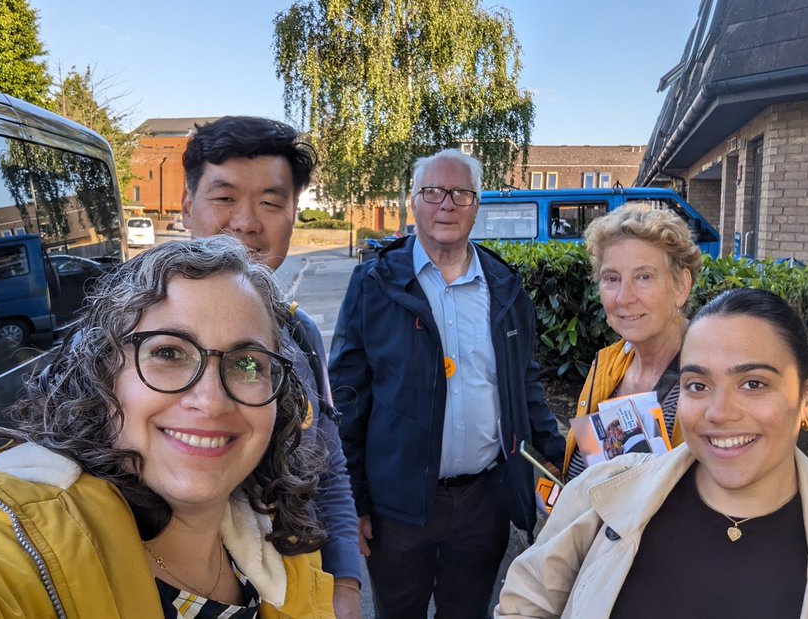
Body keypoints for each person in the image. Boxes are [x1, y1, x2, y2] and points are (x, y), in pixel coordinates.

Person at [0, 237, 334, 618]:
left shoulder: (277, 539)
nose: (211, 399)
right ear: (102, 376)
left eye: (247, 364)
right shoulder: (21, 552)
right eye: (167, 353)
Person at [495, 288, 808, 618]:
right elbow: (526, 602)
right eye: (697, 385)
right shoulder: (602, 495)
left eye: (753, 383)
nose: (720, 412)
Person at [330, 148, 567, 619]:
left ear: (477, 206)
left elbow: (525, 382)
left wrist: (564, 463)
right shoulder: (375, 283)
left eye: (461, 193)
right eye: (433, 192)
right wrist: (350, 503)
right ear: (414, 202)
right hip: (397, 508)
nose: (447, 204)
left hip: (484, 502)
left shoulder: (505, 285)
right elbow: (348, 400)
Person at [181, 115, 363, 618]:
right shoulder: (128, 343)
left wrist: (346, 583)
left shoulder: (300, 336)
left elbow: (328, 465)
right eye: (224, 198)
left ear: (292, 215)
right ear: (186, 207)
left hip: (300, 595)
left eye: (270, 202)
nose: (245, 222)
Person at [562, 203, 702, 480]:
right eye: (612, 278)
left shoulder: (711, 378)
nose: (624, 297)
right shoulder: (606, 363)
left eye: (644, 277)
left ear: (681, 287)